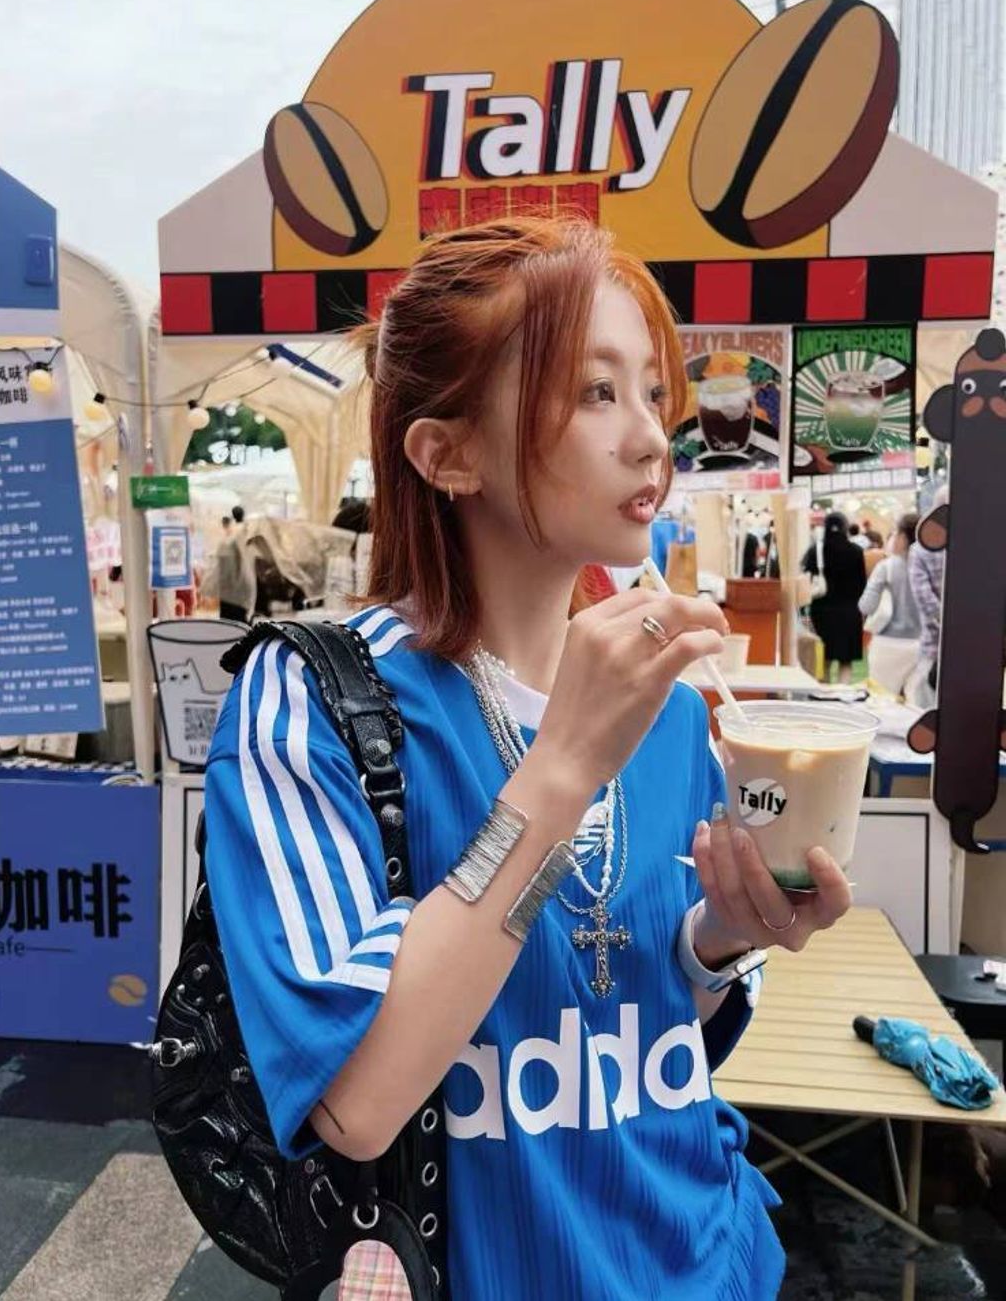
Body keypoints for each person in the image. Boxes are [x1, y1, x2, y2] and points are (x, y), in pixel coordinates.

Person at [203, 218, 851, 1300]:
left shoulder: (673, 715)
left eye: (652, 391)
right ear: (446, 453)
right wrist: (560, 772)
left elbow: (651, 1024)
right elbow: (357, 1100)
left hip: (702, 1253)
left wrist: (722, 939)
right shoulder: (311, 702)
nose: (649, 438)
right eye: (594, 392)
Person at [858, 513, 921, 696]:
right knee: (915, 703)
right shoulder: (932, 568)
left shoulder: (886, 567)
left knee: (881, 700)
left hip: (887, 644)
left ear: (903, 537)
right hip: (920, 645)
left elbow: (866, 606)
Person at [801, 512, 867, 683]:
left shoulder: (816, 551)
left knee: (824, 659)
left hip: (822, 611)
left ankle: (824, 693)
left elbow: (805, 579)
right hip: (849, 611)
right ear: (845, 527)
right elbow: (862, 584)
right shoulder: (856, 551)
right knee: (846, 661)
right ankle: (842, 692)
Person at [905, 487, 947, 709]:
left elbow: (926, 602)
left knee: (928, 710)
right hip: (976, 650)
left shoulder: (921, 550)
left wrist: (948, 626)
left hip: (933, 647)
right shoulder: (981, 548)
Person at [217, 504, 256, 623]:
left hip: (233, 579)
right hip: (245, 577)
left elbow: (224, 555)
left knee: (233, 616)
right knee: (244, 612)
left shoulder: (233, 534)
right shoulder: (247, 531)